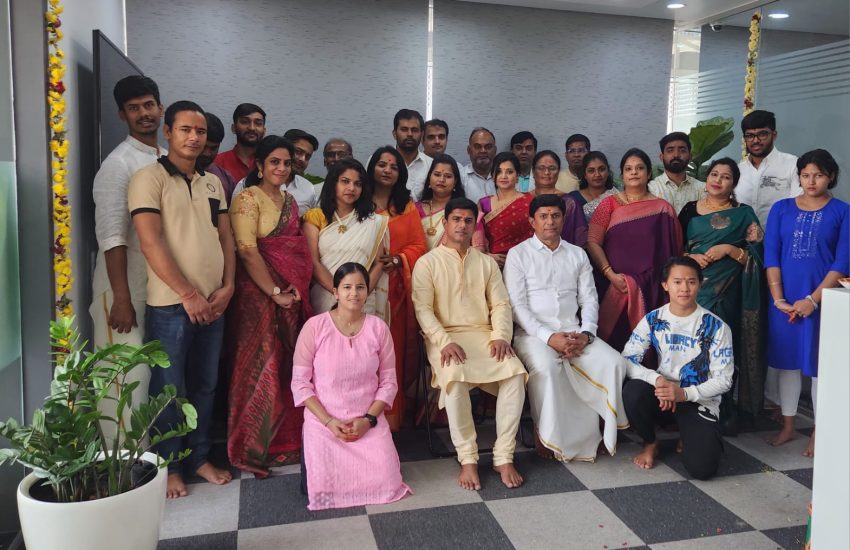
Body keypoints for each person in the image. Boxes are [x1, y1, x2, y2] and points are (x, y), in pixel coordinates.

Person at [129, 100, 235, 498]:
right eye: (186, 129)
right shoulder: (148, 178)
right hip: (171, 305)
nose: (194, 137)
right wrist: (189, 294)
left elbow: (225, 237)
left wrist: (228, 287)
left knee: (206, 385)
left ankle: (198, 458)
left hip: (215, 302)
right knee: (170, 389)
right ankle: (169, 466)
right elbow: (150, 242)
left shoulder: (212, 182)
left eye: (201, 131)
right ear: (168, 132)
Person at [412, 198, 528, 491]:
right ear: (445, 223)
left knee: (515, 373)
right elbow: (423, 310)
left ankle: (503, 455)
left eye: (467, 221)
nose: (462, 226)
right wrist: (443, 341)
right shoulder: (427, 263)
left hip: (485, 335)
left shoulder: (486, 262)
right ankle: (468, 458)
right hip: (446, 337)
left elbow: (501, 304)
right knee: (455, 377)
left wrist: (501, 335)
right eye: (456, 220)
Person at [505, 194, 628, 462]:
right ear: (532, 221)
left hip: (575, 332)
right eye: (543, 216)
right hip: (533, 335)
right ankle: (546, 434)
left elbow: (589, 298)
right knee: (547, 368)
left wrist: (586, 334)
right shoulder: (518, 255)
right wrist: (549, 338)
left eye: (556, 216)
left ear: (563, 219)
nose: (550, 222)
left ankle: (600, 431)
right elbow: (516, 306)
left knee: (614, 362)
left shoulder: (577, 254)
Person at [292, 262, 412, 511]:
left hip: (367, 424)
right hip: (325, 425)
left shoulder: (378, 328)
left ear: (367, 291)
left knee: (389, 485)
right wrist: (329, 422)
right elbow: (301, 384)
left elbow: (389, 383)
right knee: (323, 494)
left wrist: (368, 420)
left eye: (360, 287)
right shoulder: (315, 328)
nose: (353, 293)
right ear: (335, 292)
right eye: (346, 287)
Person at [227, 136, 313, 477]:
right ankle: (250, 447)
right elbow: (247, 251)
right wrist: (275, 290)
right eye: (274, 162)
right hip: (255, 297)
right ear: (259, 165)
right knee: (258, 365)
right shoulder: (248, 199)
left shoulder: (291, 202)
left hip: (287, 296)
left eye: (286, 163)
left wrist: (292, 286)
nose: (281, 168)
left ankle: (286, 444)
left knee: (289, 364)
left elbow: (295, 250)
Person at [90, 75, 164, 444]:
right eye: (134, 108)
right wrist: (119, 298)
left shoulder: (164, 159)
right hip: (123, 289)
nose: (143, 113)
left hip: (156, 287)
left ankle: (151, 461)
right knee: (124, 378)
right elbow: (112, 236)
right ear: (123, 115)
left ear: (160, 108)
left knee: (150, 377)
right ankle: (125, 467)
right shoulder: (118, 164)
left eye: (148, 105)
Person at [764, 149, 848, 458]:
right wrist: (778, 298)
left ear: (832, 177)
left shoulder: (843, 211)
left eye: (818, 175)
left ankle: (817, 430)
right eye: (805, 175)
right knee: (787, 363)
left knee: (818, 367)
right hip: (784, 300)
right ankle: (788, 425)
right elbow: (771, 254)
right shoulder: (782, 209)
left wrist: (813, 299)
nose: (811, 181)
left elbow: (842, 261)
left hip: (823, 301)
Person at [622, 256, 733, 480]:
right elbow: (627, 359)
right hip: (663, 395)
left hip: (697, 399)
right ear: (665, 285)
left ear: (700, 284)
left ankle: (692, 435)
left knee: (703, 470)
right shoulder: (654, 319)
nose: (684, 288)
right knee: (632, 392)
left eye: (691, 282)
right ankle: (650, 443)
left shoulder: (716, 326)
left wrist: (684, 394)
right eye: (677, 282)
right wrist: (657, 381)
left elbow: (725, 380)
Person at [678, 157, 766, 431]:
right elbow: (674, 249)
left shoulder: (745, 214)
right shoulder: (690, 211)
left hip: (728, 293)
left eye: (725, 177)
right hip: (692, 291)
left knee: (722, 350)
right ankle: (690, 411)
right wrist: (690, 256)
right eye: (714, 174)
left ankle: (724, 411)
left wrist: (729, 250)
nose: (717, 180)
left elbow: (758, 257)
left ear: (734, 184)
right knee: (691, 350)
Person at [586, 148, 682, 351]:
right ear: (622, 175)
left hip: (653, 288)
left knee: (647, 346)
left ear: (649, 173)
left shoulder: (663, 208)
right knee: (611, 345)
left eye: (639, 168)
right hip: (613, 284)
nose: (634, 172)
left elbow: (674, 251)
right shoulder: (609, 204)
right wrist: (609, 273)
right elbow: (593, 241)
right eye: (628, 169)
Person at [367, 146, 428, 430]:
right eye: (382, 164)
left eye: (393, 166)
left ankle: (390, 419)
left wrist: (398, 259)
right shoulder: (360, 203)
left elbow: (419, 245)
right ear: (373, 168)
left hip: (396, 291)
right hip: (363, 288)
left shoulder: (406, 207)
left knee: (391, 353)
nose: (388, 170)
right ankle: (361, 413)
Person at [302, 158, 389, 320]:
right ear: (333, 183)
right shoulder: (315, 217)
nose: (351, 188)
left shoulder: (373, 221)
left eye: (358, 184)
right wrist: (340, 293)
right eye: (345, 181)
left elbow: (379, 263)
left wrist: (359, 293)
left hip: (363, 299)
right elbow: (313, 262)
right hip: (326, 296)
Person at [736, 110, 799, 229]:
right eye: (749, 136)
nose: (755, 140)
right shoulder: (738, 170)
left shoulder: (792, 164)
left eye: (762, 134)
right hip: (743, 244)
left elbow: (800, 206)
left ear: (774, 135)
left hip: (780, 241)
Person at [416, 154, 486, 251]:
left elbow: (478, 249)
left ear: (455, 181)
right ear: (429, 178)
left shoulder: (467, 211)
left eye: (448, 176)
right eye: (437, 174)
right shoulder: (415, 209)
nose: (441, 180)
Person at [479, 152, 534, 268]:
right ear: (493, 176)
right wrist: (486, 256)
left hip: (524, 264)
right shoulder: (483, 203)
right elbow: (474, 237)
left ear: (517, 176)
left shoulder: (529, 201)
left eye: (509, 172)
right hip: (490, 264)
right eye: (499, 172)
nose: (503, 176)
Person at [530, 150, 587, 247]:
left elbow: (580, 238)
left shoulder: (569, 202)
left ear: (559, 171)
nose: (547, 172)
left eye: (552, 168)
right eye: (541, 168)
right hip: (526, 257)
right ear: (533, 171)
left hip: (563, 257)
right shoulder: (523, 200)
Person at [648, 132, 705, 214]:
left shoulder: (702, 189)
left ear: (690, 156)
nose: (676, 155)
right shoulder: (651, 189)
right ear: (662, 157)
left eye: (682, 150)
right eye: (670, 151)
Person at [215, 103, 266, 182]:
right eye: (245, 122)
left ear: (264, 131)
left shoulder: (269, 163)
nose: (252, 128)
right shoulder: (217, 163)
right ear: (234, 128)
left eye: (258, 123)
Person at [390, 108, 432, 200]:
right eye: (404, 129)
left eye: (414, 130)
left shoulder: (431, 165)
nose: (409, 134)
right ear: (394, 134)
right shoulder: (378, 162)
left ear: (422, 134)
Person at [198, 112, 237, 203]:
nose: (207, 153)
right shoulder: (174, 174)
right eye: (203, 146)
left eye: (213, 148)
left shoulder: (226, 178)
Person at [569, 151, 618, 222]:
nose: (597, 174)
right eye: (591, 171)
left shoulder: (617, 196)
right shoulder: (573, 199)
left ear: (608, 171)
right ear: (585, 174)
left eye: (602, 169)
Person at [462, 127, 497, 204]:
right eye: (477, 147)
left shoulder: (506, 176)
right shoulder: (460, 177)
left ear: (495, 151)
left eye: (488, 147)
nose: (483, 151)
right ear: (469, 150)